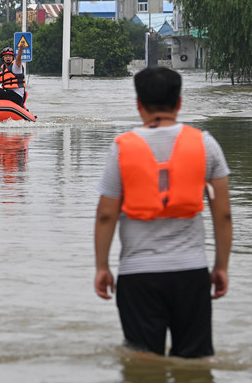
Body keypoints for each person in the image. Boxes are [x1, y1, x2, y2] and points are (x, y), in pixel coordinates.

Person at [94, 67, 232, 358]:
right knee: (195, 366)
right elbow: (224, 215)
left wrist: (102, 267)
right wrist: (221, 267)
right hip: (191, 273)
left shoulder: (121, 148)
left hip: (138, 276)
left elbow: (106, 215)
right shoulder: (206, 144)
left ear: (138, 104)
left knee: (142, 367)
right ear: (179, 103)